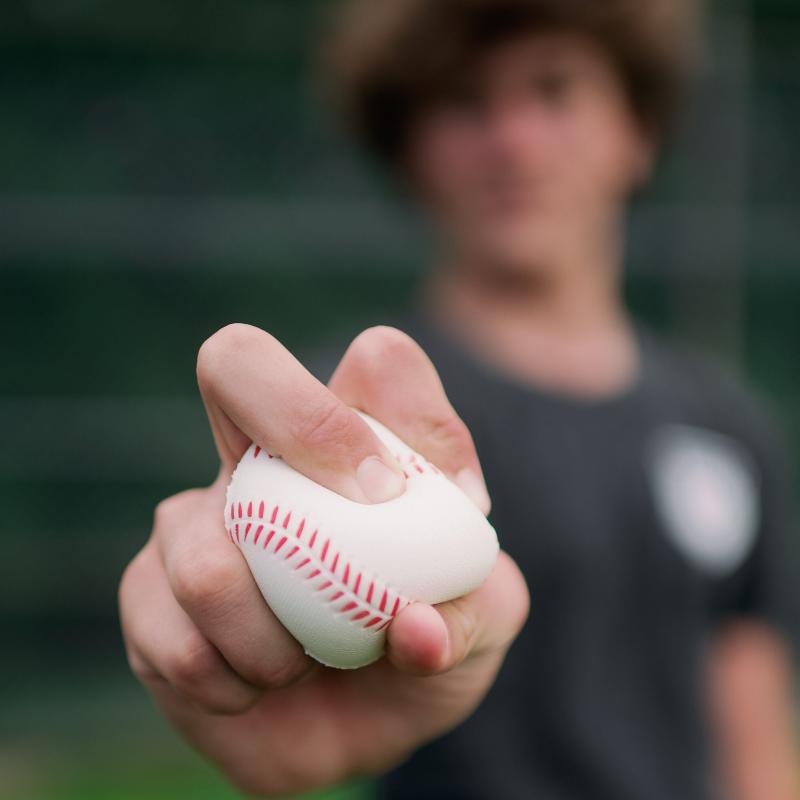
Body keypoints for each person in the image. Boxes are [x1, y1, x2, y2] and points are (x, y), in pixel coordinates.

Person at [119, 1, 800, 798]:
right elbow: (229, 550)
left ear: (637, 132)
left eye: (554, 91)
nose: (512, 140)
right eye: (466, 103)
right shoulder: (348, 415)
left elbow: (756, 736)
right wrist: (202, 595)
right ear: (410, 153)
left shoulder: (727, 423)